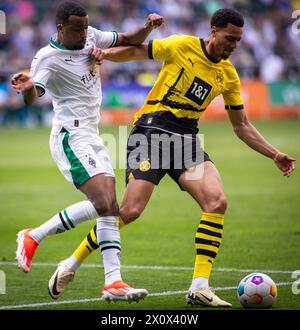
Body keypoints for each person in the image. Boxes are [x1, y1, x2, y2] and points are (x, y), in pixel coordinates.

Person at [48, 7, 296, 307]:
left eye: (238, 41)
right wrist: (104, 54)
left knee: (216, 202)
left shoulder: (228, 75)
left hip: (185, 139)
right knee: (129, 211)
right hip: (151, 131)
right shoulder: (182, 45)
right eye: (229, 38)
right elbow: (138, 51)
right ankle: (70, 264)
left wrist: (274, 154)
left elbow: (241, 125)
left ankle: (200, 286)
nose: (233, 45)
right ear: (214, 31)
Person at [11, 1, 164, 303]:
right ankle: (34, 236)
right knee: (105, 202)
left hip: (92, 134)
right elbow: (32, 97)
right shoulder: (47, 58)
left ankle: (113, 283)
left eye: (85, 27)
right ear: (60, 28)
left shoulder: (91, 35)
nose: (83, 35)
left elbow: (130, 40)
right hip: (70, 136)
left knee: (109, 208)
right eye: (77, 30)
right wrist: (29, 86)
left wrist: (147, 27)